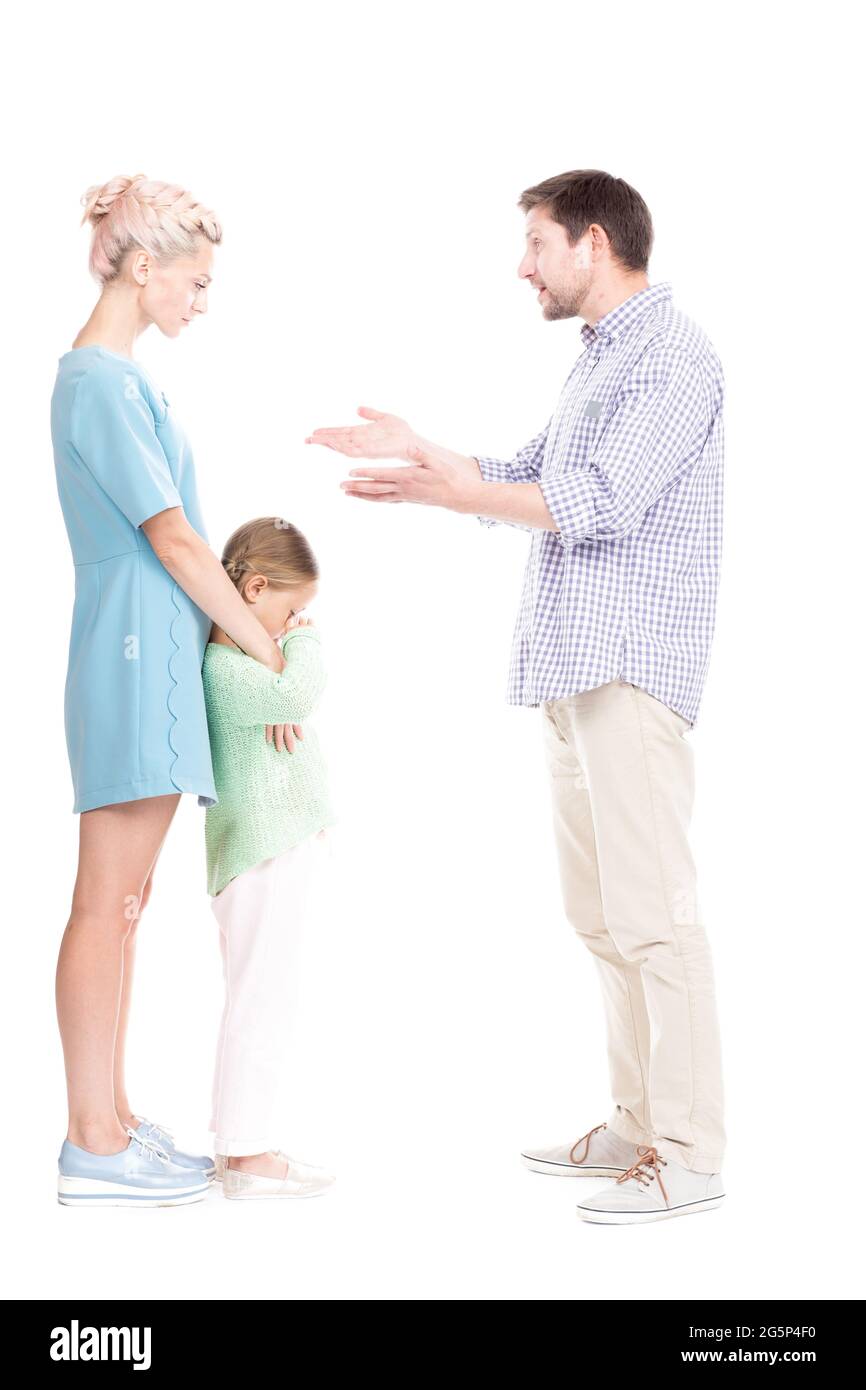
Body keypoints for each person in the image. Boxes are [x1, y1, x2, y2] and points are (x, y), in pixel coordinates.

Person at [305, 168, 727, 1226]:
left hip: (627, 669)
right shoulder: (602, 361)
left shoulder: (670, 358)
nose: (522, 266)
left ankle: (689, 1152)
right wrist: (426, 458)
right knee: (600, 916)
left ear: (591, 242)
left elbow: (593, 503)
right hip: (572, 670)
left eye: (535, 244)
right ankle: (637, 1122)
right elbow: (524, 470)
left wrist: (457, 488)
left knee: (654, 919)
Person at [51, 173, 300, 1208]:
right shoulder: (99, 382)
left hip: (142, 649)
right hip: (130, 653)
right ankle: (92, 1139)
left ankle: (105, 1123)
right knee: (106, 903)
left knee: (124, 902)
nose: (203, 299)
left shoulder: (117, 379)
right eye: (195, 281)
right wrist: (264, 647)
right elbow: (176, 538)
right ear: (141, 266)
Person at [201, 517, 337, 1201]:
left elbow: (289, 699)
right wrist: (302, 645)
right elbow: (300, 693)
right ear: (254, 589)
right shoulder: (227, 671)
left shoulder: (251, 666)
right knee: (260, 1000)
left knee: (262, 997)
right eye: (290, 610)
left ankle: (240, 1145)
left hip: (272, 849)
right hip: (260, 855)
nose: (295, 624)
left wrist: (280, 659)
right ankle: (247, 1156)